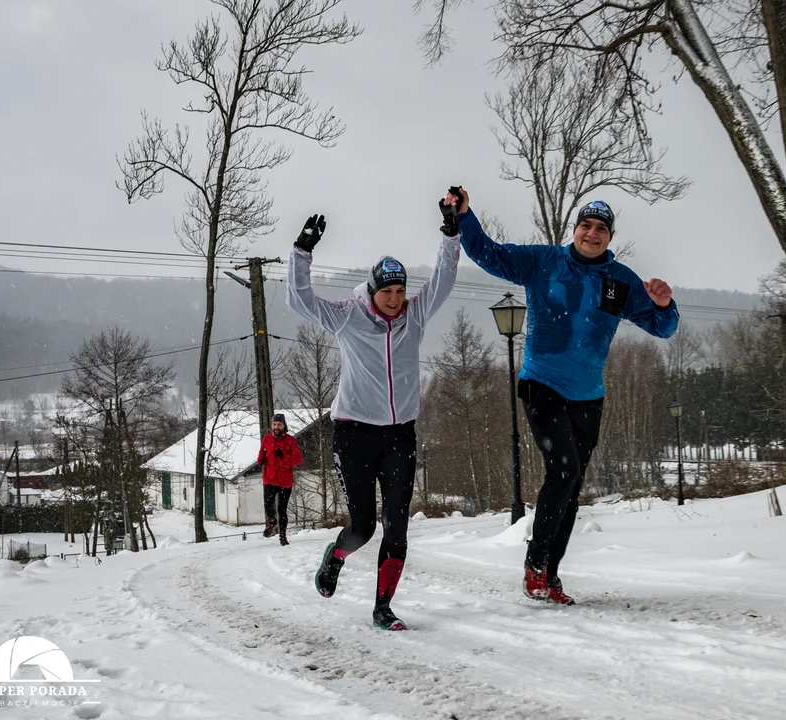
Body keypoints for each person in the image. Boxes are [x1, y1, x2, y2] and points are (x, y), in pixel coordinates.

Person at [454, 188, 679, 605]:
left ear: (609, 237)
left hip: (588, 396)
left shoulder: (621, 281)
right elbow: (489, 253)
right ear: (574, 229)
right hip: (542, 383)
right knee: (564, 470)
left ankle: (550, 576)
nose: (591, 234)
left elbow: (662, 329)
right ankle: (535, 563)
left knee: (571, 485)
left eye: (600, 229)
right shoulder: (543, 262)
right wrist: (466, 217)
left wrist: (664, 306)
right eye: (585, 225)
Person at [286, 192, 462, 631]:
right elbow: (300, 301)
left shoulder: (414, 316)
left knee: (397, 527)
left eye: (401, 291)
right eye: (387, 291)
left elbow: (442, 279)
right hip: (353, 434)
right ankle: (337, 555)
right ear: (372, 290)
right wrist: (301, 252)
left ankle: (383, 607)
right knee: (362, 526)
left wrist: (450, 233)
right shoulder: (348, 316)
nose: (395, 299)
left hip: (400, 434)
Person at [257, 413, 304, 547]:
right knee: (268, 503)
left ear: (284, 426)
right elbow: (262, 452)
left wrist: (284, 458)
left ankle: (283, 536)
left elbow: (298, 459)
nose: (276, 427)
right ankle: (271, 521)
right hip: (269, 478)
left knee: (282, 509)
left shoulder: (290, 440)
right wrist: (260, 460)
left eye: (279, 424)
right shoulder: (266, 439)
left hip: (285, 480)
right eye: (274, 424)